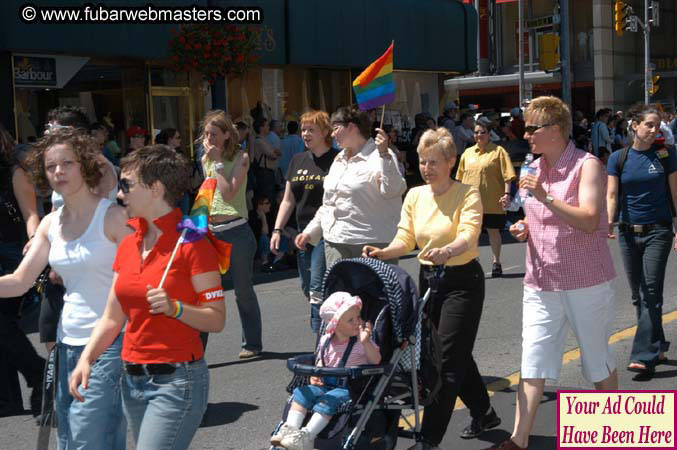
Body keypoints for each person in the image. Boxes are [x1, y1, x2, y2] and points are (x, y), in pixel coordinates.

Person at [69, 145, 225, 450]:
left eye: (127, 185)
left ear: (155, 189)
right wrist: (86, 359)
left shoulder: (193, 245)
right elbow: (113, 317)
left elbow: (216, 319)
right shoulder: (129, 243)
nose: (119, 194)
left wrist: (175, 307)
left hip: (177, 381)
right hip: (132, 380)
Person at [363, 127, 500, 450]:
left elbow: (469, 234)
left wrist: (449, 250)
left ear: (451, 161)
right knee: (449, 351)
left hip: (462, 282)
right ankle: (485, 412)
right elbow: (405, 238)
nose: (426, 168)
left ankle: (428, 439)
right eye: (423, 162)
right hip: (428, 280)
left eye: (434, 162)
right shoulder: (415, 195)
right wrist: (383, 252)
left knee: (446, 363)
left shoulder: (468, 194)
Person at [497, 96, 618, 450]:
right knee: (532, 360)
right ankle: (518, 439)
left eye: (531, 128)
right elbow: (534, 216)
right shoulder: (531, 168)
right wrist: (524, 227)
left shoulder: (588, 165)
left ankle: (610, 434)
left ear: (554, 130)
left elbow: (589, 218)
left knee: (596, 361)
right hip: (540, 281)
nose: (525, 134)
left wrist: (547, 198)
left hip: (586, 281)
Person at [0, 128, 131, 449]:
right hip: (67, 344)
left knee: (82, 440)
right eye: (50, 166)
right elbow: (19, 282)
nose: (58, 171)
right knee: (82, 437)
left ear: (85, 165)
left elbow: (138, 281)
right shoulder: (50, 224)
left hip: (110, 345)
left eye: (67, 163)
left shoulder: (113, 218)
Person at [607, 104, 677, 375]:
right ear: (634, 125)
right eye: (649, 124)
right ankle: (657, 345)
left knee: (650, 291)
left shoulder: (666, 155)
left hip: (658, 230)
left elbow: (675, 194)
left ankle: (643, 355)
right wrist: (608, 222)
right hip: (627, 231)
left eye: (657, 125)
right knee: (639, 296)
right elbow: (612, 195)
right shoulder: (618, 158)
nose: (654, 130)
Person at [295, 106, 406, 267]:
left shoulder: (381, 156)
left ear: (352, 127)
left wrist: (385, 156)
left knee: (373, 292)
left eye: (336, 128)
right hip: (336, 241)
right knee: (338, 292)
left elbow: (393, 191)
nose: (332, 134)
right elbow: (329, 203)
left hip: (372, 244)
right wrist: (310, 232)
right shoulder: (339, 159)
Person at [270, 292, 381, 450]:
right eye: (351, 320)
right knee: (301, 393)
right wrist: (317, 372)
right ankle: (291, 431)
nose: (357, 322)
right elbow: (321, 359)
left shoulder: (361, 342)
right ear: (335, 325)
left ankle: (307, 436)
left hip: (349, 388)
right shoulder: (325, 340)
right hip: (325, 384)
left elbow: (376, 360)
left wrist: (366, 342)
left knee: (328, 400)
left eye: (358, 317)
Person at [201, 110, 263, 359]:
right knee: (204, 292)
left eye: (214, 134)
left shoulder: (241, 157)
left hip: (236, 231)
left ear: (227, 135)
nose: (209, 139)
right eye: (206, 134)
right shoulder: (206, 157)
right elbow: (208, 193)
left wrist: (217, 163)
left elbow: (227, 193)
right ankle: (196, 351)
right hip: (211, 232)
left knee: (242, 290)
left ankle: (252, 343)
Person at [271, 110, 339, 332]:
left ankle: (320, 340)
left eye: (311, 129)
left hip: (326, 231)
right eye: (303, 129)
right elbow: (288, 200)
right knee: (307, 286)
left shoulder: (338, 159)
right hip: (301, 232)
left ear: (325, 132)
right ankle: (333, 326)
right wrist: (277, 229)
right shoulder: (297, 160)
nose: (306, 134)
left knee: (317, 285)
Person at [0, 123, 44, 417]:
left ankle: (37, 372)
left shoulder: (14, 172)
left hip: (12, 257)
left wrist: (35, 242)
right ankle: (8, 399)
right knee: (3, 326)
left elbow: (30, 214)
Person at [456, 120, 516, 277]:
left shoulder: (499, 151)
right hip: (470, 203)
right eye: (476, 132)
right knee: (471, 233)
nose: (479, 135)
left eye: (482, 132)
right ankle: (473, 264)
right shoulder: (467, 153)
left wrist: (507, 194)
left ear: (489, 134)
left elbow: (507, 176)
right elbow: (460, 179)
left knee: (493, 232)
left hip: (492, 201)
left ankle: (496, 262)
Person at [251, 117, 281, 205]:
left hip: (268, 172)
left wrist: (274, 152)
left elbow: (277, 152)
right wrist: (274, 152)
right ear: (261, 128)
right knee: (267, 197)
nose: (269, 128)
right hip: (264, 172)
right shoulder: (259, 141)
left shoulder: (264, 140)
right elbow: (273, 155)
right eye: (267, 126)